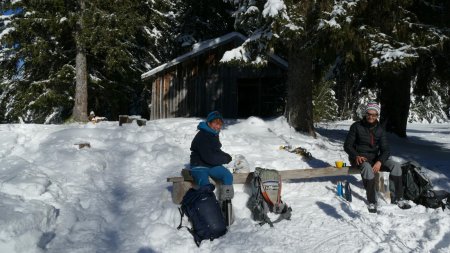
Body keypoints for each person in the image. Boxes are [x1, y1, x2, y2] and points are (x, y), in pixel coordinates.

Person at [344, 101, 411, 213]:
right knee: (367, 167)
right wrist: (356, 155)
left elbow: (386, 150)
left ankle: (398, 198)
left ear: (377, 116)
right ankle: (372, 201)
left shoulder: (380, 129)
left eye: (374, 115)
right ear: (365, 114)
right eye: (369, 114)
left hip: (375, 159)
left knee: (395, 166)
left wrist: (380, 161)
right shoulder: (356, 126)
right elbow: (347, 145)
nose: (371, 117)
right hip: (359, 158)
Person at [190, 111, 234, 203]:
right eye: (215, 123)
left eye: (219, 124)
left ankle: (226, 202)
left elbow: (216, 151)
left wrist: (226, 156)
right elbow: (210, 157)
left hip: (210, 166)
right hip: (199, 165)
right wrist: (225, 159)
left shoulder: (213, 134)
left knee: (227, 175)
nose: (217, 127)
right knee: (205, 185)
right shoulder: (202, 135)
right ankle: (209, 207)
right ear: (209, 123)